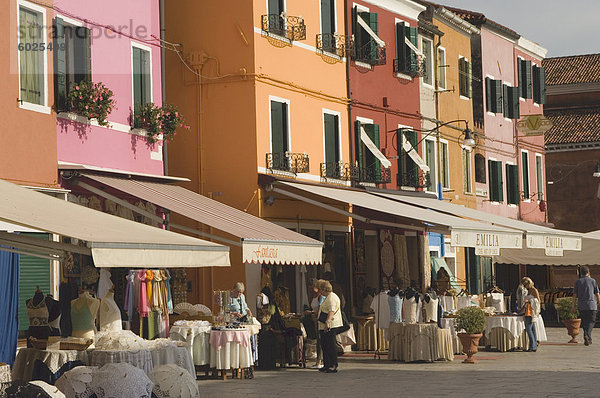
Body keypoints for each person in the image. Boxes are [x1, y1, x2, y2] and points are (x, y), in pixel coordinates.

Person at [317, 280, 342, 374]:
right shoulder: (327, 297)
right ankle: (327, 364)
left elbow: (331, 311)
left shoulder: (332, 297)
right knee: (324, 344)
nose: (320, 292)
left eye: (320, 290)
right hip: (324, 325)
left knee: (330, 345)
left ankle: (333, 365)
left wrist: (327, 322)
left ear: (324, 289)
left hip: (330, 325)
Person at [572, 266, 600, 346]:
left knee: (584, 322)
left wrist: (573, 306)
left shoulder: (578, 282)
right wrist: (599, 303)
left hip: (581, 305)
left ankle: (587, 337)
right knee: (591, 321)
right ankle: (587, 335)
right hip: (591, 305)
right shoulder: (593, 281)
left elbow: (574, 295)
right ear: (588, 272)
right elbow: (597, 294)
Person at [302, 278, 324, 369]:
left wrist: (310, 313)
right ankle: (319, 360)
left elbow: (320, 309)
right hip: (314, 320)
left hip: (319, 320)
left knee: (320, 340)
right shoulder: (314, 296)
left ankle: (319, 360)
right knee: (318, 339)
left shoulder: (321, 297)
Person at [521, 277, 540, 352]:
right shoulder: (528, 291)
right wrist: (521, 309)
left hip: (531, 312)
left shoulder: (534, 290)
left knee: (528, 329)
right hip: (527, 310)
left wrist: (529, 301)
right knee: (532, 329)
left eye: (525, 285)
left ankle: (532, 346)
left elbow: (538, 300)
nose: (525, 287)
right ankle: (534, 346)